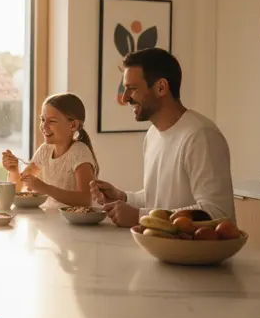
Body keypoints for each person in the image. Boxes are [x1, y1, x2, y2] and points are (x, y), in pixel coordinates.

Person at [91, 48, 235, 228]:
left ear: (161, 87)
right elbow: (157, 200)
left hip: (198, 247)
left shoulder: (201, 135)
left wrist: (139, 216)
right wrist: (122, 197)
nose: (125, 97)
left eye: (132, 89)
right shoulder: (152, 135)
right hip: (162, 244)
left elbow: (217, 212)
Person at [2, 93, 99, 207]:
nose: (44, 125)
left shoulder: (79, 152)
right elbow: (17, 188)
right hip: (48, 216)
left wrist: (44, 188)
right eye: (43, 119)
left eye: (52, 121)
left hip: (71, 218)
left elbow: (86, 199)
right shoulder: (45, 150)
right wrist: (14, 171)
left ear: (73, 125)